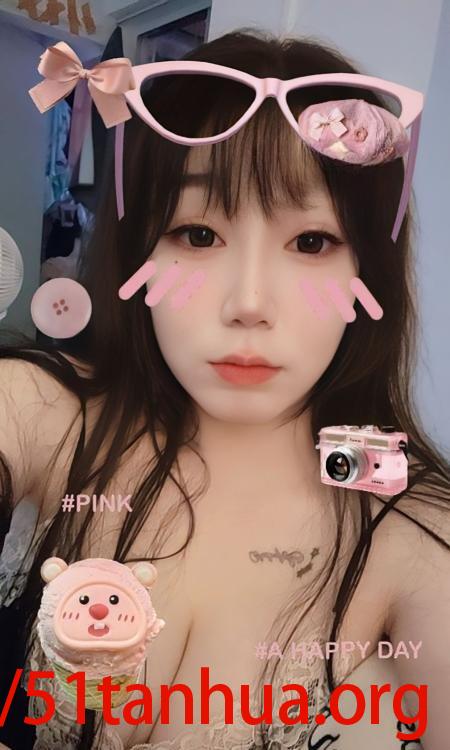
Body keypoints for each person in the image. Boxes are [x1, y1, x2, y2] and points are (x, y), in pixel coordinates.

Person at [0, 28, 449, 750]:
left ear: (369, 273)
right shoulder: (45, 413)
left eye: (311, 242)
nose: (248, 304)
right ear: (138, 248)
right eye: (198, 235)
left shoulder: (412, 527)